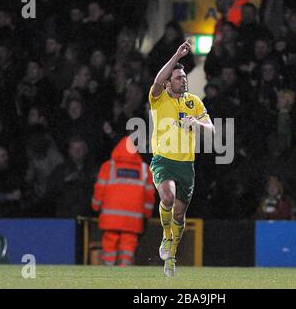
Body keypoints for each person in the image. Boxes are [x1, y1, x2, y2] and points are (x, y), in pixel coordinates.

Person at [149, 39, 215, 276]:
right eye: (178, 77)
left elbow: (212, 130)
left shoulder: (193, 102)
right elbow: (157, 81)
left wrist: (197, 122)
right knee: (167, 196)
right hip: (163, 160)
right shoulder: (159, 98)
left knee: (179, 214)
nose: (183, 80)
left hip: (186, 165)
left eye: (184, 77)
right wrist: (176, 56)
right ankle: (166, 238)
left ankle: (171, 257)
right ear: (168, 83)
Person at [92, 136, 156, 266]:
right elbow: (149, 195)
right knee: (129, 241)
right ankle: (125, 266)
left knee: (110, 239)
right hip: (133, 218)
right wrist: (147, 213)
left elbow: (99, 189)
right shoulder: (144, 170)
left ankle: (109, 265)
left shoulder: (108, 167)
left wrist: (95, 205)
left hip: (111, 217)